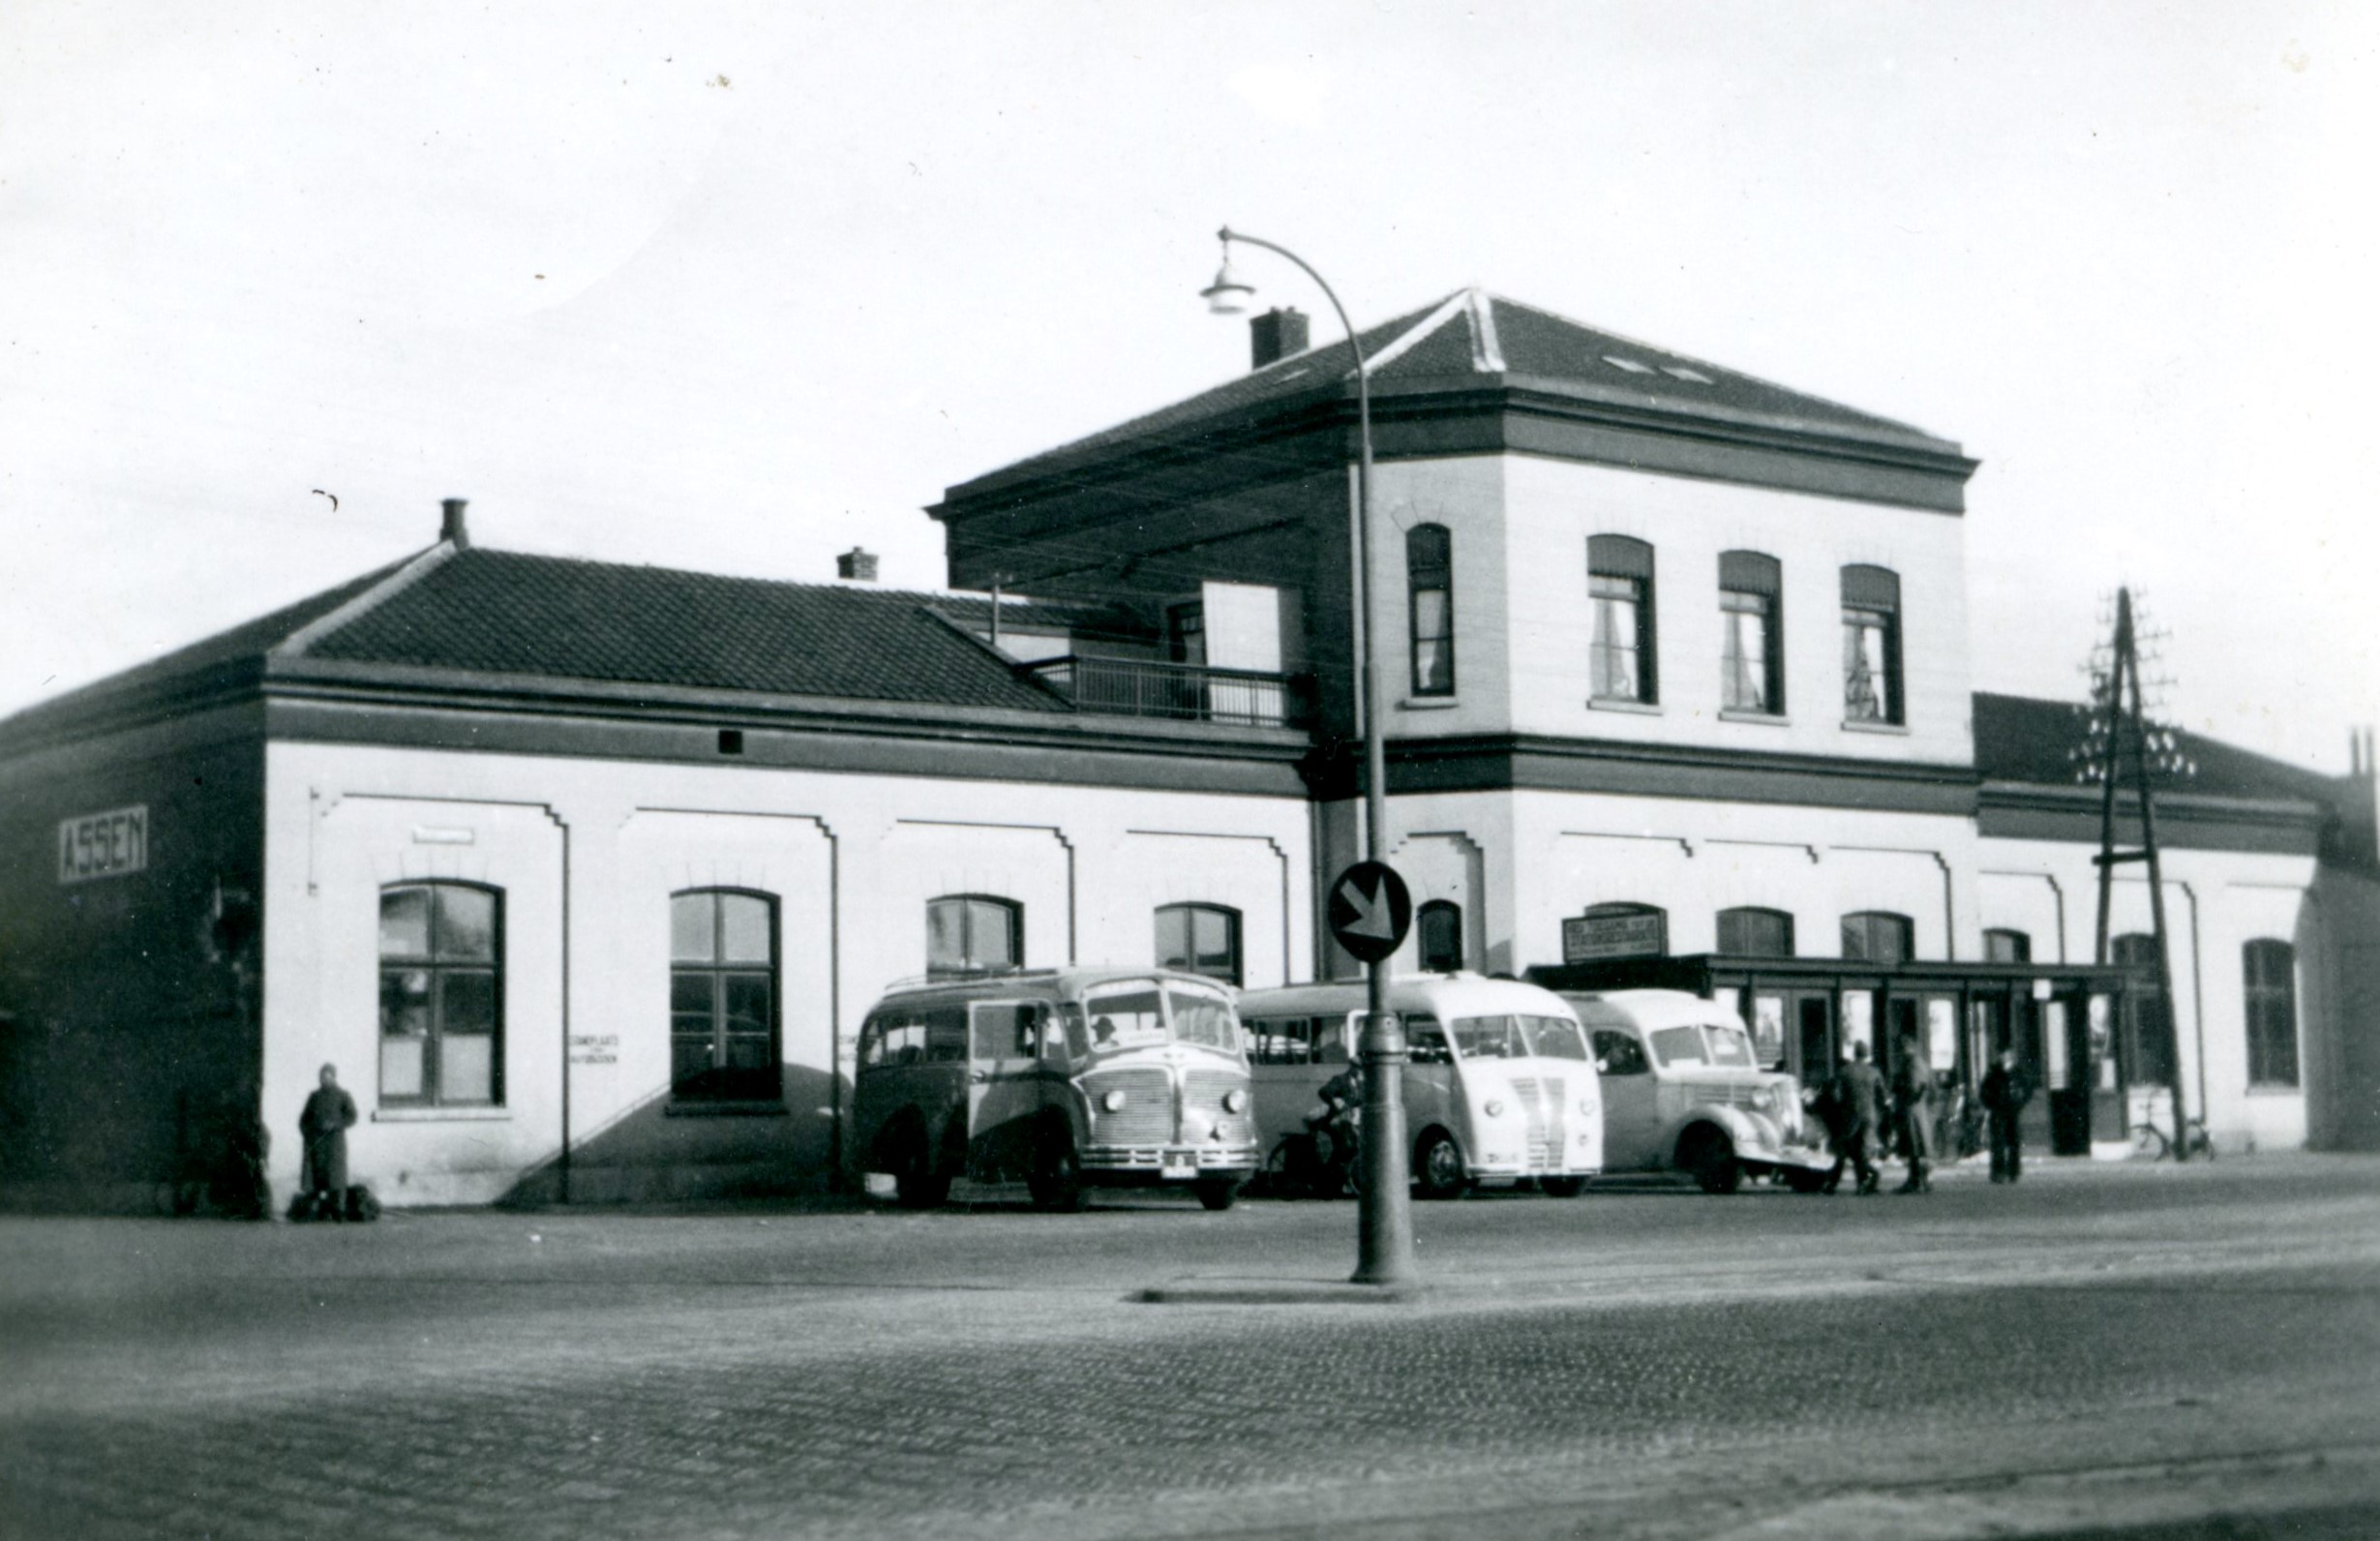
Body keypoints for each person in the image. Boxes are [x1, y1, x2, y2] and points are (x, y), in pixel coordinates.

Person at [1824, 1042, 1888, 1195]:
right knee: (1863, 1149)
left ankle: (1833, 1183)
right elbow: (1883, 1097)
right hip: (1869, 1115)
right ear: (1866, 1054)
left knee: (1844, 1149)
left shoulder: (1845, 1071)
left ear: (1854, 1053)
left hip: (1850, 1115)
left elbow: (1836, 1095)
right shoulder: (1874, 1072)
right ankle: (1864, 1182)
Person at [298, 1063, 358, 1218]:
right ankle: (318, 1210)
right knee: (316, 1177)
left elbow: (352, 1117)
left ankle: (338, 1210)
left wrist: (336, 1124)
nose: (323, 1080)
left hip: (335, 1144)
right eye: (321, 1077)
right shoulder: (314, 1096)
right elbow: (304, 1119)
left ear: (333, 1077)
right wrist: (309, 1134)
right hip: (317, 1144)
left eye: (326, 1077)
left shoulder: (343, 1095)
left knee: (336, 1178)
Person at [1979, 1046, 2034, 1184]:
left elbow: (2027, 1089)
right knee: (1998, 1142)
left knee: (2013, 1142)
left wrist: (2019, 1103)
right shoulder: (1993, 1072)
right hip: (1997, 1111)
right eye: (2004, 1055)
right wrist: (1991, 1104)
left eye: (2009, 1055)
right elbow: (1984, 1091)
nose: (2006, 1058)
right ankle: (1998, 1172)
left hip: (2012, 1111)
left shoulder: (2016, 1072)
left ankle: (2013, 1172)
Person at [1893, 1031, 1935, 1194]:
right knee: (1918, 1145)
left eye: (1901, 1048)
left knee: (1915, 1145)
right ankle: (1921, 1179)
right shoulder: (1919, 1063)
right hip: (1919, 1109)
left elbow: (1914, 1088)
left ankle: (1917, 1180)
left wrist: (1899, 1088)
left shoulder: (1913, 1064)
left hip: (1913, 1110)